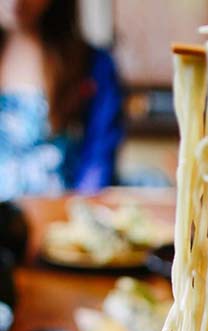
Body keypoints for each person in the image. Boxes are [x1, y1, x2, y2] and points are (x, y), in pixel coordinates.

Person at [0, 0, 122, 199]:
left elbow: (98, 161)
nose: (16, 1)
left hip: (61, 219)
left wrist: (79, 219)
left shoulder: (92, 65)